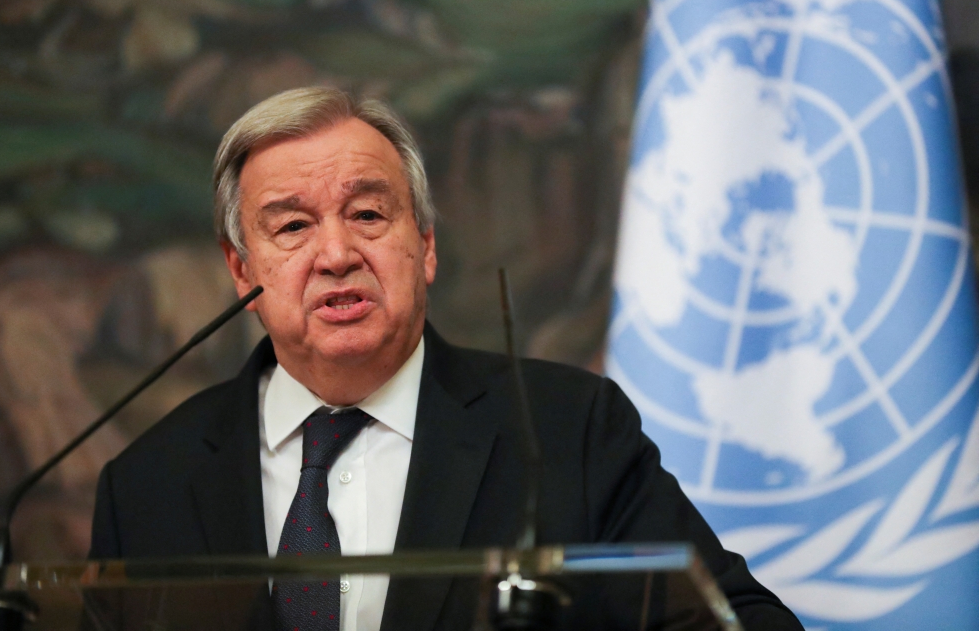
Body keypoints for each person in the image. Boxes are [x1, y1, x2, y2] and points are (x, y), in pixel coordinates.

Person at [89, 87, 802, 631]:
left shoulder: (566, 431)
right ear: (241, 270)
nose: (336, 255)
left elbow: (742, 623)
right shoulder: (149, 481)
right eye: (293, 226)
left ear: (424, 246)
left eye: (368, 215)